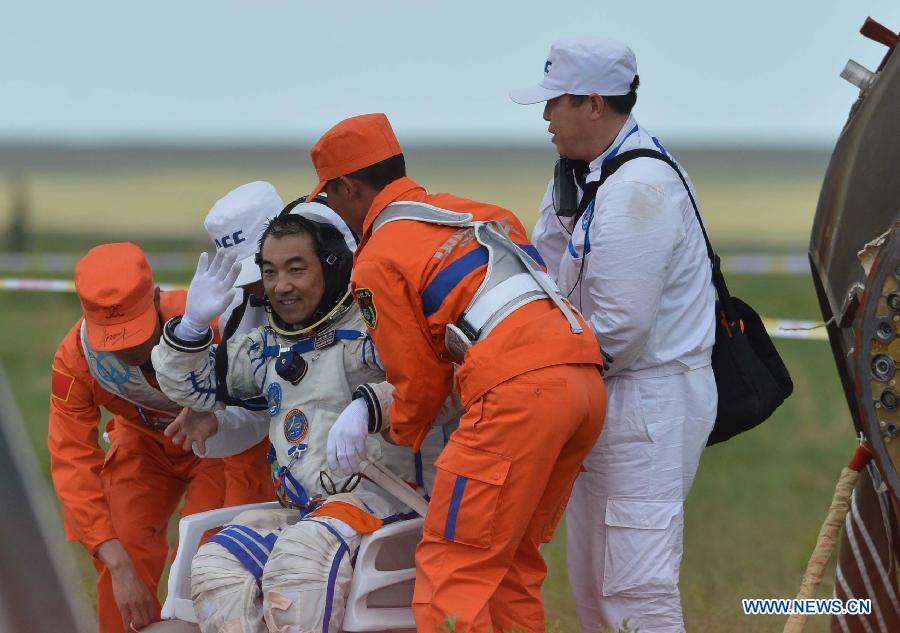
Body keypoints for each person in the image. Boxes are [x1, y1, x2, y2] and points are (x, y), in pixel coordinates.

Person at [308, 113, 607, 633]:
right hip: (583, 381)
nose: (332, 211)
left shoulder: (378, 259)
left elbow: (418, 382)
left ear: (347, 188)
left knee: (453, 567)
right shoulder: (479, 213)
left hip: (518, 397)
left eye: (328, 199)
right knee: (510, 563)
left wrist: (390, 432)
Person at [151, 200, 447, 633]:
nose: (280, 286)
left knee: (300, 562)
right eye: (269, 272)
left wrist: (370, 406)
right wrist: (192, 328)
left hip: (392, 502)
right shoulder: (266, 345)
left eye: (296, 269)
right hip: (310, 512)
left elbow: (438, 383)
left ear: (332, 267)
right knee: (217, 565)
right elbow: (195, 388)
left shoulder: (378, 326)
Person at [509, 36, 717, 633]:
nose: (545, 115)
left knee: (635, 590)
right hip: (605, 395)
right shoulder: (581, 176)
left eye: (556, 102)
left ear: (594, 104)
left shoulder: (636, 189)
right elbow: (542, 274)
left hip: (644, 403)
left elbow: (618, 333)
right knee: (598, 587)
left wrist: (526, 375)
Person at [47, 243, 227, 633]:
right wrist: (115, 561)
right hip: (142, 441)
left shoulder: (207, 320)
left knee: (204, 562)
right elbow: (71, 457)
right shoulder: (76, 360)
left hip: (219, 445)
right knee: (121, 550)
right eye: (111, 337)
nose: (126, 348)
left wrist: (214, 408)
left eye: (133, 332)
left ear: (156, 297)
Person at [164, 181, 283, 506]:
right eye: (247, 275)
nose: (258, 285)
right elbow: (262, 402)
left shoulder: (348, 287)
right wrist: (218, 419)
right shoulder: (238, 305)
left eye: (263, 269)